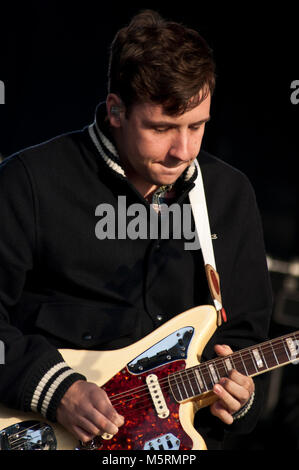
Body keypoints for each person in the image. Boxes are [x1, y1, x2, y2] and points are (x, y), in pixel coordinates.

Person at [0, 10, 272, 450]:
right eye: (161, 128)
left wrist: (242, 401)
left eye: (197, 126)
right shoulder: (28, 181)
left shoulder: (229, 196)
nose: (182, 149)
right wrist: (54, 389)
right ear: (116, 111)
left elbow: (242, 341)